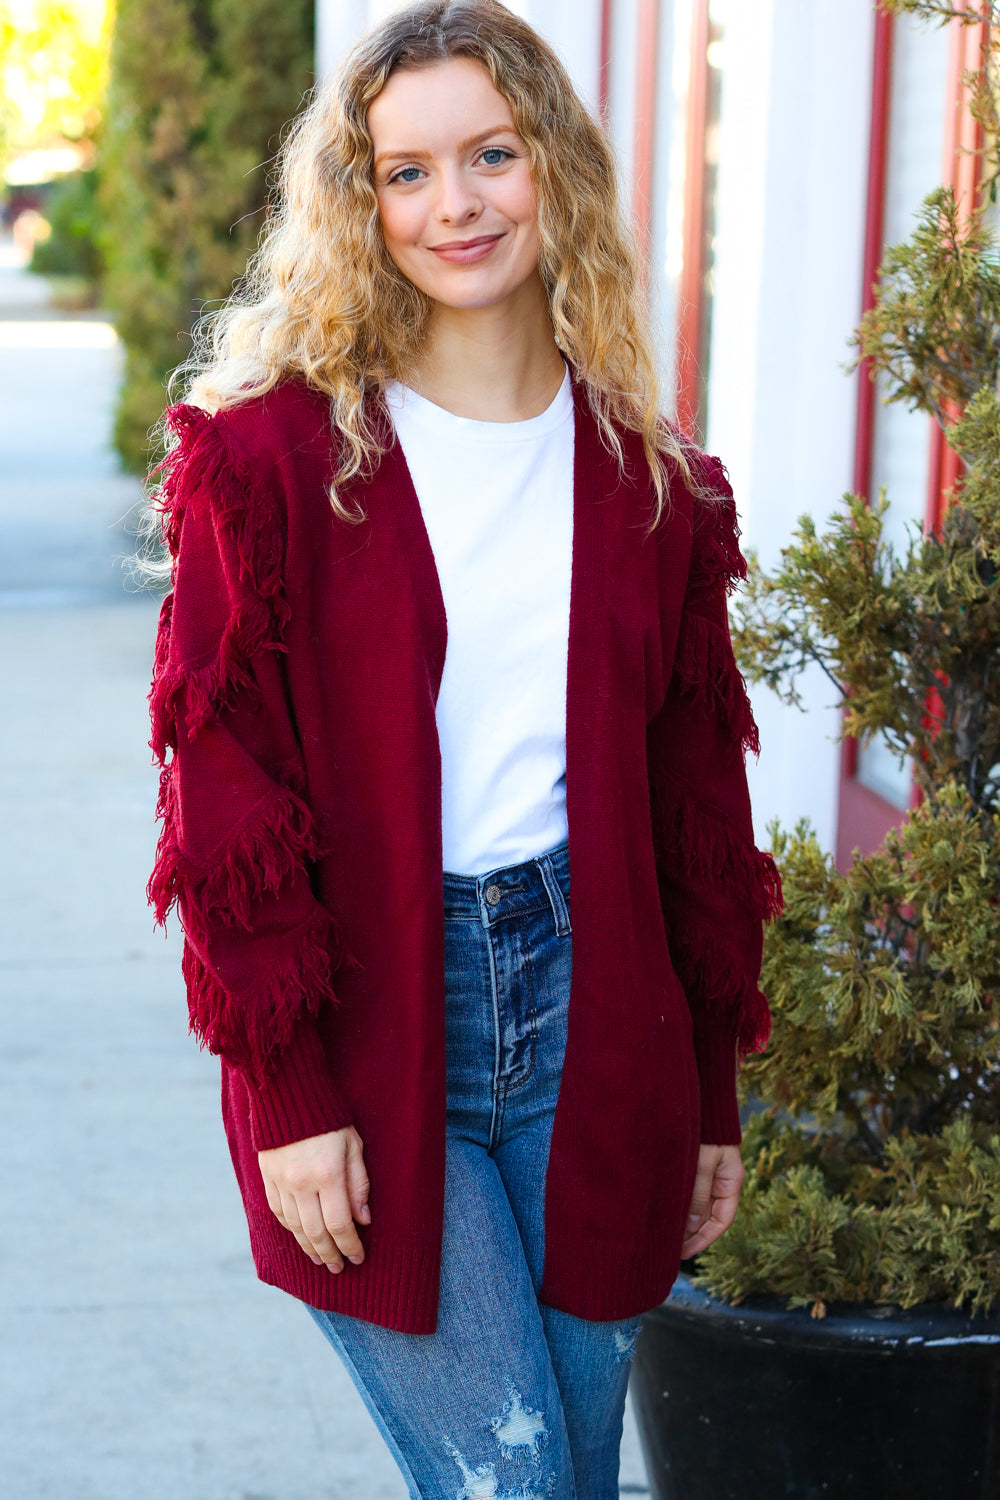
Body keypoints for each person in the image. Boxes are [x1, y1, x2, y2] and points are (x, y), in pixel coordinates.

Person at [145, 3, 781, 1496]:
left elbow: (699, 808)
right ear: (359, 203)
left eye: (490, 155)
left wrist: (710, 1088)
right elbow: (221, 790)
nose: (457, 205)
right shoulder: (269, 462)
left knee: (568, 1473)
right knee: (518, 1483)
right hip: (374, 1013)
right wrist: (292, 1099)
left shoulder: (655, 486)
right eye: (407, 171)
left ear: (551, 167)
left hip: (599, 1015)